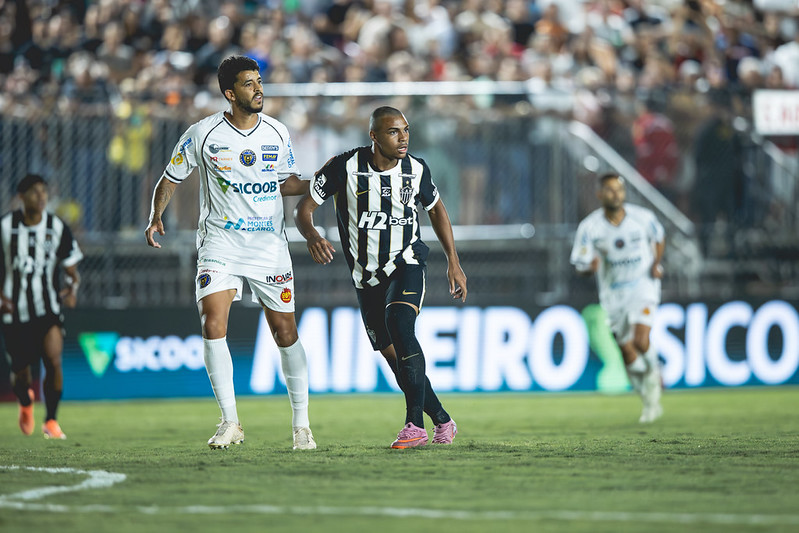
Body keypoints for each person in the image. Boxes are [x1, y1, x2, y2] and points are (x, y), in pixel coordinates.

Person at [144, 55, 316, 450]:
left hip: (268, 246)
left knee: (285, 332)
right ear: (230, 93)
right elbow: (170, 177)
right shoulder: (202, 133)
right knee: (212, 322)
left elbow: (285, 183)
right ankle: (230, 422)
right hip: (220, 243)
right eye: (249, 83)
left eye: (259, 81)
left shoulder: (277, 131)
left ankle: (302, 426)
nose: (258, 89)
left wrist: (321, 181)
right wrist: (156, 216)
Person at [295, 106, 466, 448]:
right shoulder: (345, 166)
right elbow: (304, 208)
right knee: (395, 358)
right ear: (373, 136)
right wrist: (312, 235)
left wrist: (453, 261)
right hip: (365, 277)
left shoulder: (416, 169)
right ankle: (443, 419)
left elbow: (436, 209)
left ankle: (414, 425)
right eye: (393, 132)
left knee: (400, 324)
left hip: (407, 262)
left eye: (406, 130)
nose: (403, 138)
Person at [570, 172, 665, 423]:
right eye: (610, 190)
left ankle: (654, 375)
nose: (616, 195)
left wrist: (656, 263)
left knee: (641, 340)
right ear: (600, 194)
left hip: (643, 286)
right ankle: (648, 396)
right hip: (613, 295)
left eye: (619, 190)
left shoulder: (642, 218)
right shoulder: (590, 227)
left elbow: (659, 237)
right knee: (627, 352)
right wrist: (589, 268)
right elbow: (580, 263)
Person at [1, 174, 83, 439]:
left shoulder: (56, 227)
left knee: (53, 359)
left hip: (48, 307)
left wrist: (72, 289)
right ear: (21, 196)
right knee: (21, 374)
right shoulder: (5, 227)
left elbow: (71, 269)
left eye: (44, 191)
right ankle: (25, 402)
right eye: (34, 191)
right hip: (14, 311)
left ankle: (51, 421)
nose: (41, 196)